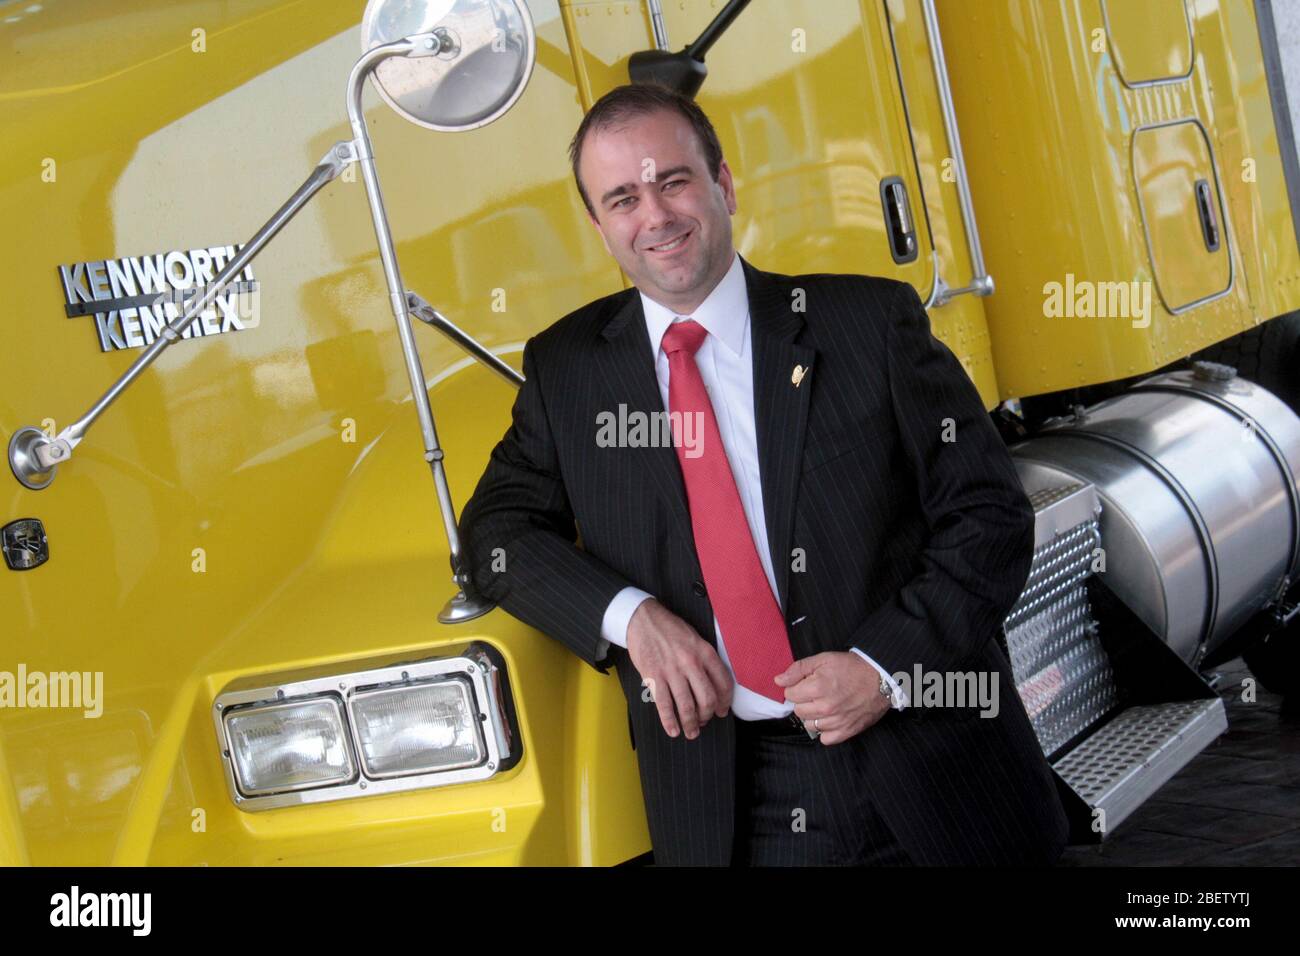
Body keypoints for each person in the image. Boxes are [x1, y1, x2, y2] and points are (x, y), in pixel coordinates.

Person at [458, 82, 1069, 866]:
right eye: (622, 198)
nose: (655, 216)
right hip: (736, 799)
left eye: (673, 181)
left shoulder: (868, 325)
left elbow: (988, 516)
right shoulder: (566, 371)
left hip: (931, 761)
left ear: (723, 184)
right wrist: (632, 620)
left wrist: (884, 667)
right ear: (598, 225)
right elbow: (497, 534)